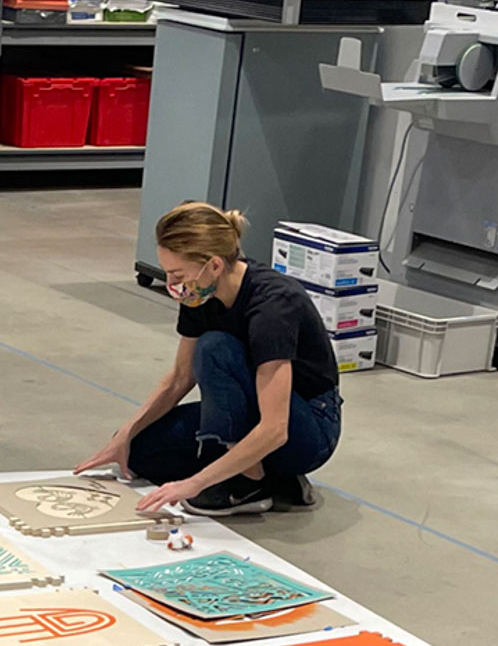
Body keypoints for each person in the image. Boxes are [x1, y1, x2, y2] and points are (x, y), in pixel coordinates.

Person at [77, 201, 343, 516]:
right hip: (251, 412)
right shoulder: (200, 293)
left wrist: (195, 483)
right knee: (139, 454)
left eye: (178, 274)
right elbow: (179, 377)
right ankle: (273, 477)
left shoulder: (273, 306)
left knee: (215, 347)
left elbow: (275, 428)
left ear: (214, 265)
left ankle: (250, 484)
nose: (174, 284)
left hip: (307, 426)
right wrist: (125, 434)